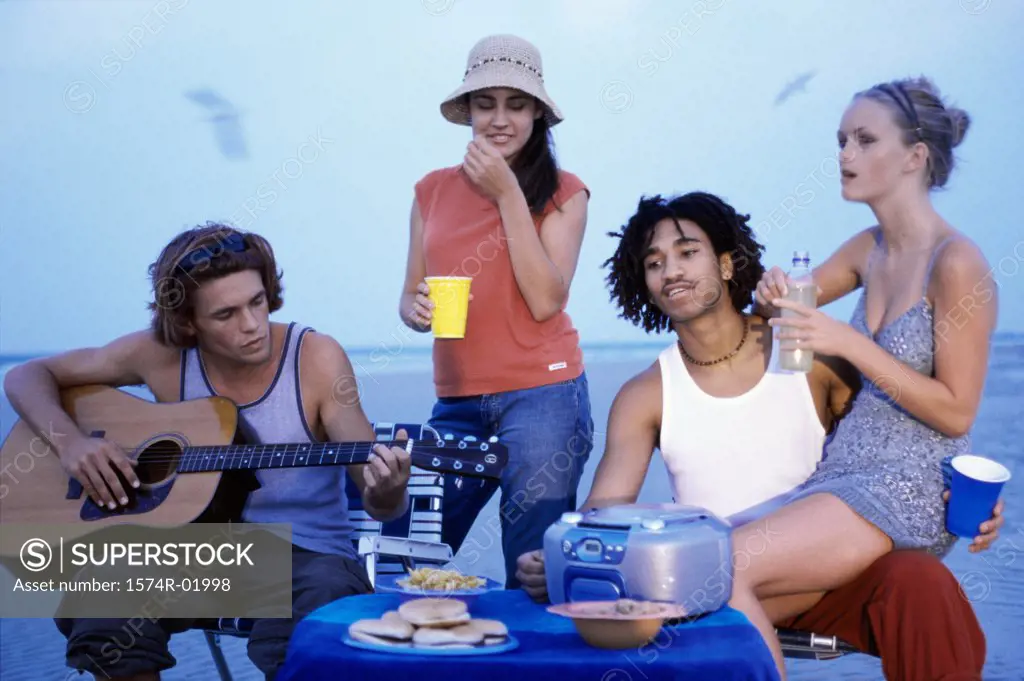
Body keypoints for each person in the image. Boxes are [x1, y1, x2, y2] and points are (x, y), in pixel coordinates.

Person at [515, 190, 1003, 681]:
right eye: (655, 263)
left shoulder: (804, 352)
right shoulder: (646, 394)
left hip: (833, 572)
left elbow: (893, 436)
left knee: (921, 582)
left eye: (688, 252)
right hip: (712, 588)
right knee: (698, 580)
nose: (673, 271)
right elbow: (606, 510)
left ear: (727, 264)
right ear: (645, 284)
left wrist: (962, 490)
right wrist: (556, 557)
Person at [3, 223, 413, 681]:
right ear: (186, 323)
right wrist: (72, 444)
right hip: (196, 556)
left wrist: (388, 490)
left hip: (305, 559)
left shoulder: (315, 358)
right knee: (103, 600)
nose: (252, 325)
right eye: (226, 314)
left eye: (257, 302)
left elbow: (381, 498)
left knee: (319, 612)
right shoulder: (159, 354)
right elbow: (26, 375)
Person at [398, 34, 594, 588]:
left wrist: (508, 195)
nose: (500, 118)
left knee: (531, 571)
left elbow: (546, 300)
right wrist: (413, 309)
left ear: (537, 112)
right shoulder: (430, 191)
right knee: (408, 554)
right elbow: (412, 293)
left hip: (544, 395)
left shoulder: (565, 192)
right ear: (469, 113)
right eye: (486, 103)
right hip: (456, 401)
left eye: (516, 103)